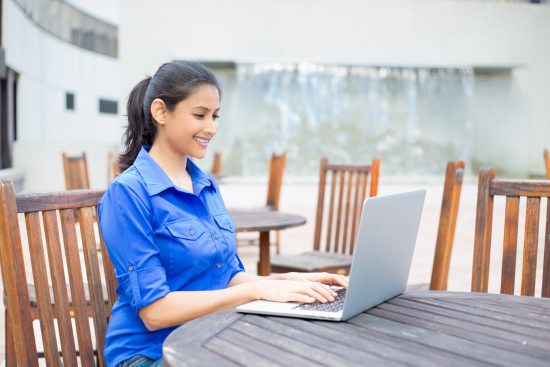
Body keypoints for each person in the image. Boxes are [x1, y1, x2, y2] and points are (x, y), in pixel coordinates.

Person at [99, 61, 348, 367]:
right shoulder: (127, 194)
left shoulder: (205, 184)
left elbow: (227, 276)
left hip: (210, 341)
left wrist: (290, 282)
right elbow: (155, 313)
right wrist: (257, 290)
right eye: (199, 115)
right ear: (161, 112)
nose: (212, 127)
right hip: (149, 355)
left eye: (214, 116)